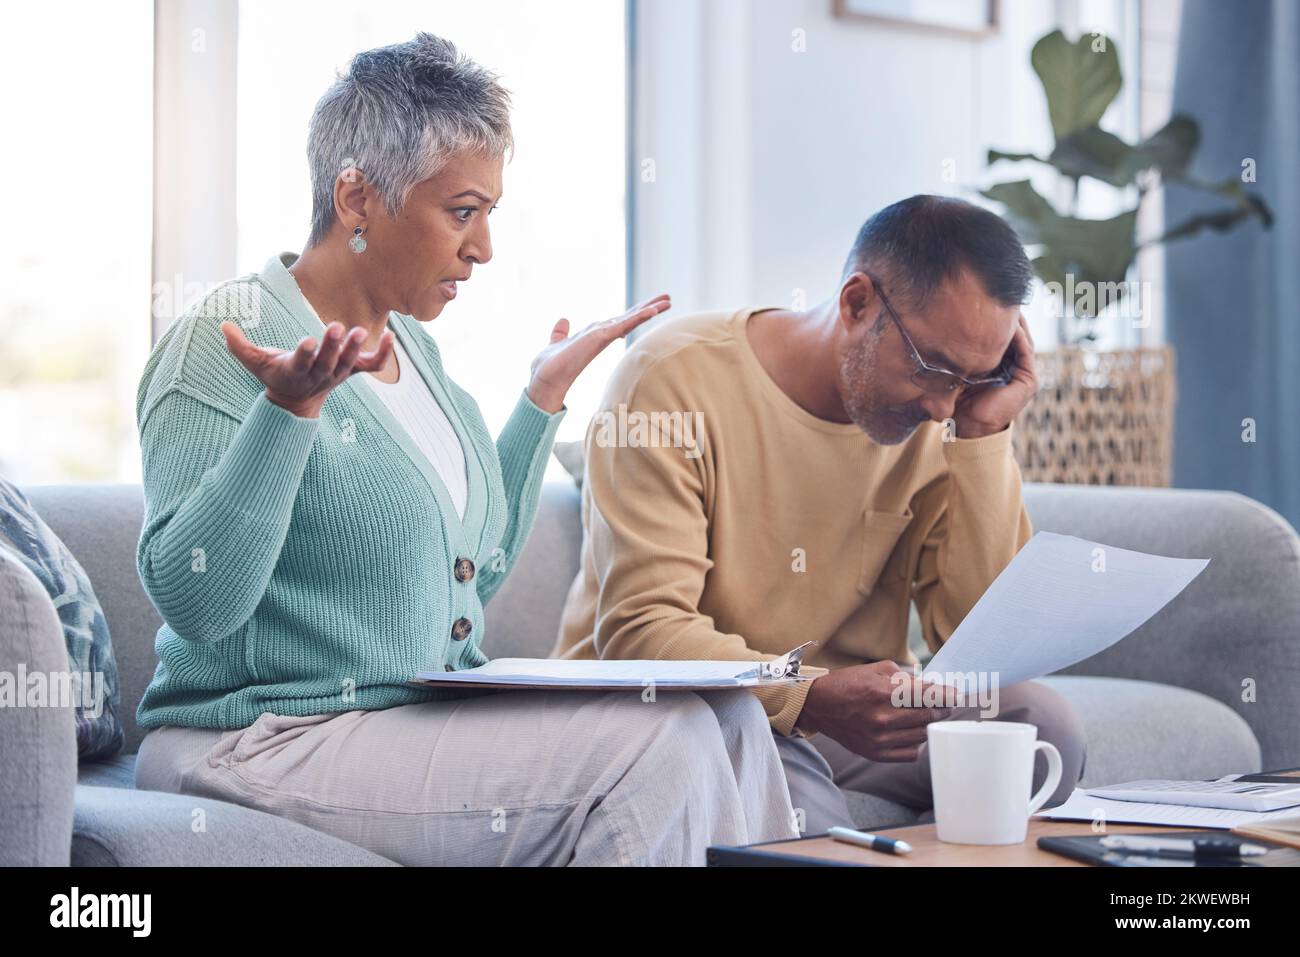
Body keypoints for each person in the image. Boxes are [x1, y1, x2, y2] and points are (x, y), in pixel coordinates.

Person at [131, 32, 797, 866]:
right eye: (462, 212)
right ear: (357, 198)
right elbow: (197, 603)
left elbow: (471, 573)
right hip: (256, 736)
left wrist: (541, 398)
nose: (482, 249)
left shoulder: (419, 355)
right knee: (654, 748)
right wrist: (288, 411)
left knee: (730, 717)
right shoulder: (225, 338)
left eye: (488, 216)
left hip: (399, 724)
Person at [554, 195, 1088, 834]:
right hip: (696, 707)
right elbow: (643, 631)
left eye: (970, 380)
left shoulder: (946, 416)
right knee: (804, 803)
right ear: (856, 302)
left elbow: (978, 644)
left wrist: (983, 436)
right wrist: (805, 692)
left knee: (1041, 728)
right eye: (933, 368)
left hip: (853, 716)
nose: (945, 406)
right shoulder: (671, 382)